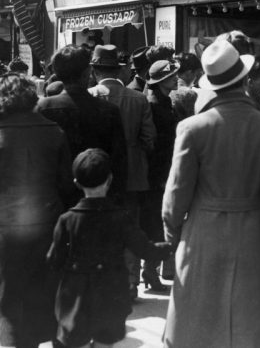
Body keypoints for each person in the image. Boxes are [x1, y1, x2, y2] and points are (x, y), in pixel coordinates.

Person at [162, 39, 260, 348]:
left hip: (203, 231)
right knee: (247, 323)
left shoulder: (193, 128)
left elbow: (176, 194)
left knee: (197, 324)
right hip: (253, 231)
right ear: (245, 79)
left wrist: (172, 231)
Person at [47, 149, 172, 348]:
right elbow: (145, 250)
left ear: (76, 183)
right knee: (105, 342)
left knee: (74, 341)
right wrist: (170, 247)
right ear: (109, 180)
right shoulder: (122, 217)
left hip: (75, 297)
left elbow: (54, 259)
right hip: (111, 294)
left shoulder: (67, 220)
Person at [0, 73, 73, 348]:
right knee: (42, 292)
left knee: (8, 294)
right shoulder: (53, 131)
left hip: (5, 227)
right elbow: (66, 184)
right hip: (47, 223)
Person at [87, 44, 156, 300]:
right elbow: (150, 138)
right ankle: (130, 283)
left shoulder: (91, 95)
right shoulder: (138, 99)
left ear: (94, 70)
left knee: (100, 227)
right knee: (131, 227)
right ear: (119, 70)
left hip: (98, 174)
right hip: (134, 175)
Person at [36, 45, 127, 203]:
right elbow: (119, 161)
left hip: (54, 198)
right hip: (97, 196)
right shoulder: (108, 110)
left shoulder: (43, 109)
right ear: (87, 73)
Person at [144, 60, 179, 291]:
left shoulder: (164, 103)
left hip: (163, 171)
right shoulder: (156, 106)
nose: (176, 78)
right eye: (171, 76)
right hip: (159, 173)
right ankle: (150, 270)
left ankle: (152, 269)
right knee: (156, 225)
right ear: (160, 81)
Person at [170, 52, 201, 122]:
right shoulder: (188, 94)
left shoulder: (167, 87)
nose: (198, 76)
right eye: (197, 73)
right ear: (189, 73)